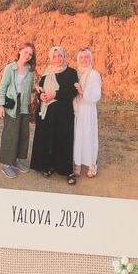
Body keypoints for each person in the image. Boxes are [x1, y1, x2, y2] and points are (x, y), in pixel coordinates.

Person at [30, 46, 79, 183]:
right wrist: (42, 95)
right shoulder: (47, 73)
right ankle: (49, 165)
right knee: (49, 139)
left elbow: (72, 92)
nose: (57, 59)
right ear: (51, 58)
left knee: (64, 140)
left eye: (60, 56)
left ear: (64, 57)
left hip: (63, 113)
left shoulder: (71, 72)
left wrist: (55, 94)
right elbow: (40, 89)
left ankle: (67, 171)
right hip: (47, 112)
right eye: (54, 56)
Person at [0, 43, 36, 179]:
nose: (28, 56)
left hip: (24, 105)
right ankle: (7, 165)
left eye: (30, 54)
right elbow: (2, 88)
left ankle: (17, 161)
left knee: (23, 133)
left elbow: (30, 88)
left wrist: (36, 88)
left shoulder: (30, 71)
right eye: (26, 52)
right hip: (12, 105)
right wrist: (0, 105)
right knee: (10, 134)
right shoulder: (10, 68)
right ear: (19, 51)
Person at [73, 47, 102, 180]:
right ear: (78, 59)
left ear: (90, 58)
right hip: (78, 109)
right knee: (78, 136)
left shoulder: (94, 74)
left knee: (89, 135)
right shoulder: (76, 74)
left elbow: (96, 94)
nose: (84, 60)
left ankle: (91, 164)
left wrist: (83, 91)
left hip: (88, 110)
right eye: (81, 57)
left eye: (86, 57)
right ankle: (78, 163)